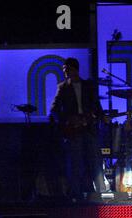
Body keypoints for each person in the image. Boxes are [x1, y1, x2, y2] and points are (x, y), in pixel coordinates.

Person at [49, 57, 109, 201]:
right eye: (64, 70)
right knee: (75, 163)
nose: (65, 72)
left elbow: (96, 105)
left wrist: (102, 117)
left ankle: (100, 193)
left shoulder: (88, 85)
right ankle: (75, 195)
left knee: (95, 160)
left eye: (67, 69)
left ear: (75, 69)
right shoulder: (63, 87)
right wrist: (67, 121)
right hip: (73, 130)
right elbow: (54, 110)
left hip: (88, 128)